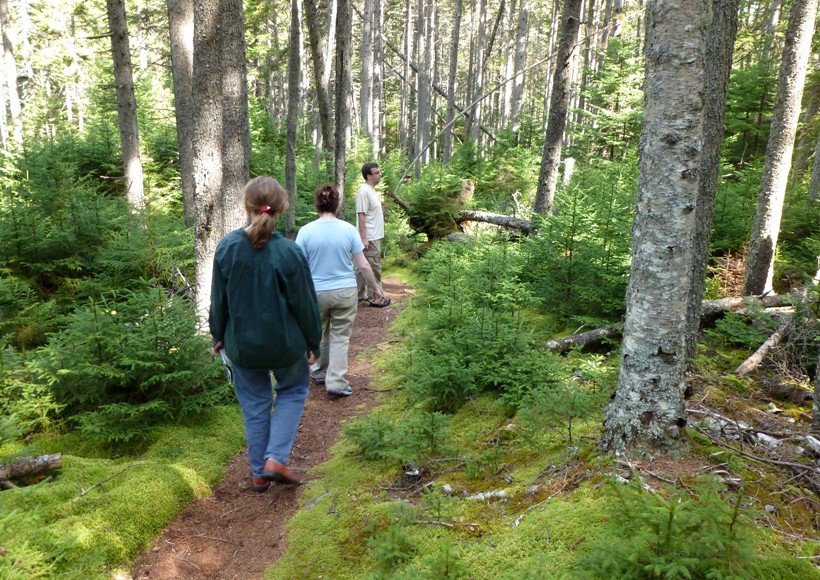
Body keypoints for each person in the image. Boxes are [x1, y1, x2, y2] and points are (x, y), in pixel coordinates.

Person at [209, 176, 322, 493]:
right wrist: (314, 341)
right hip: (285, 345)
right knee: (293, 389)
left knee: (255, 404)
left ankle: (259, 473)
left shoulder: (227, 247)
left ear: (247, 207)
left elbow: (219, 299)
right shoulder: (290, 252)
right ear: (281, 208)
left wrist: (217, 334)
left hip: (242, 346)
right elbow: (305, 303)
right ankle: (275, 459)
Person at [296, 184, 383, 396]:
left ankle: (319, 371)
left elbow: (296, 265)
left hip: (315, 292)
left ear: (317, 204)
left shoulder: (306, 231)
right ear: (337, 204)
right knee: (340, 336)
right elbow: (363, 265)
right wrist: (376, 288)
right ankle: (335, 381)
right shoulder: (348, 230)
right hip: (345, 291)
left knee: (319, 331)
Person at [355, 162, 391, 307]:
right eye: (377, 172)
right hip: (369, 236)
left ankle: (358, 295)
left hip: (371, 235)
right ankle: (376, 297)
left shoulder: (370, 190)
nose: (380, 174)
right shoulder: (364, 191)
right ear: (369, 176)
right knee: (374, 266)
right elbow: (361, 215)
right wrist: (364, 238)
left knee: (360, 267)